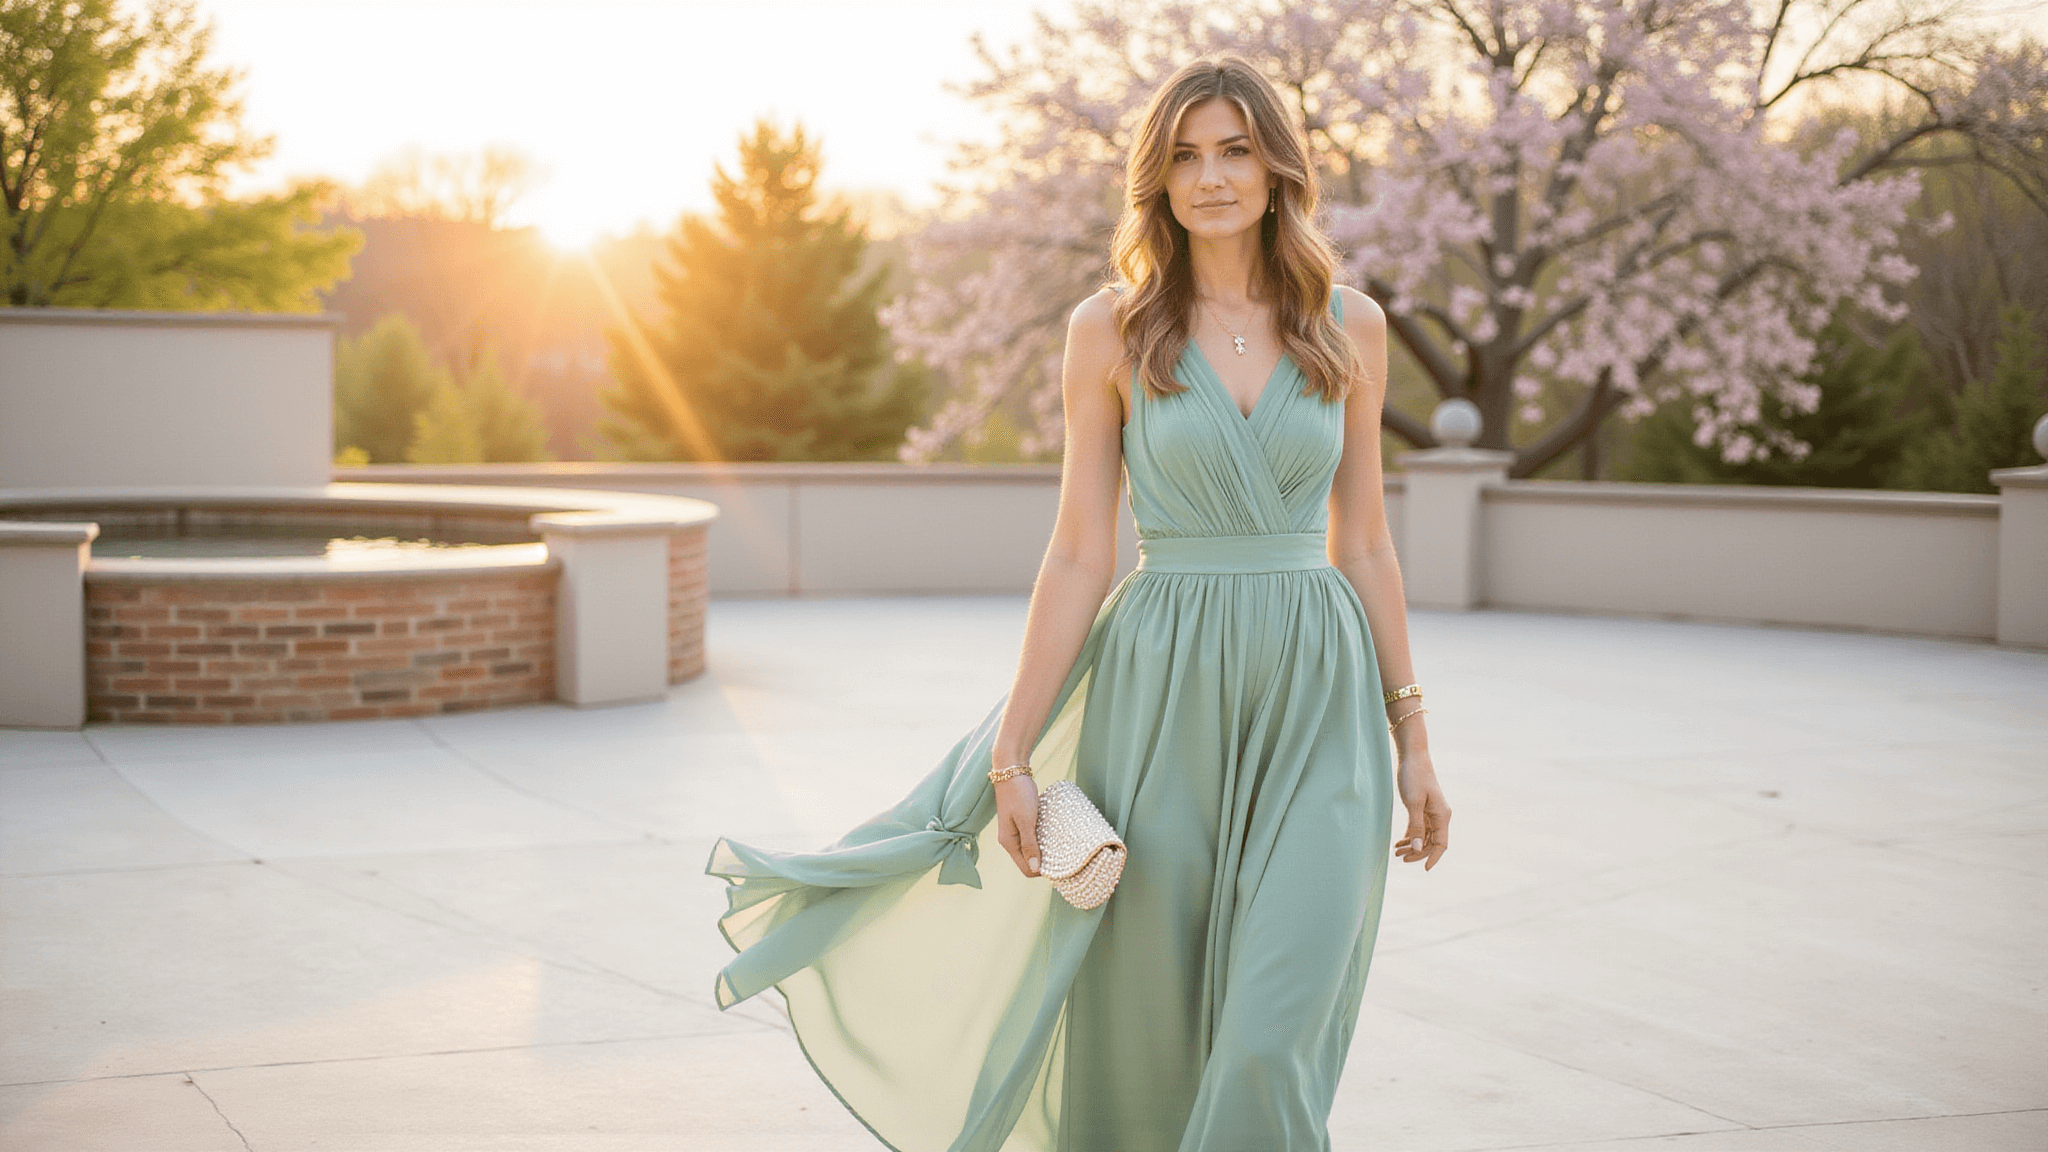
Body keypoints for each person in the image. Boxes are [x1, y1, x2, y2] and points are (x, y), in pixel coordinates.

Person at [706, 54, 1452, 1152]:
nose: (1210, 177)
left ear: (1276, 165)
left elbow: (1370, 545)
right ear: (1156, 180)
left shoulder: (1354, 326)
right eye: (1185, 155)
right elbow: (1075, 554)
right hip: (1163, 693)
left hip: (1318, 696)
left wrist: (1414, 739)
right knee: (1147, 1028)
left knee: (1270, 1036)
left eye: (1235, 149)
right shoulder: (1110, 330)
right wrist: (1012, 753)